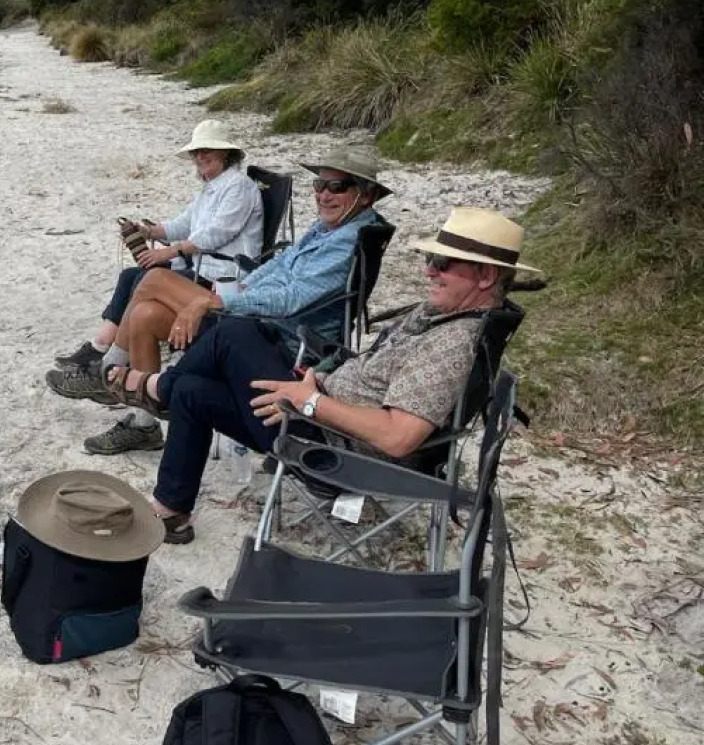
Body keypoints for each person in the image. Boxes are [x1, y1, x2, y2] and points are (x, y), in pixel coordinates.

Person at [106, 207, 537, 544]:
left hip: (329, 446)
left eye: (444, 263)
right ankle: (171, 510)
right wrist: (319, 377)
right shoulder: (445, 315)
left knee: (233, 334)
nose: (429, 270)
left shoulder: (452, 345)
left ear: (486, 276)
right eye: (431, 258)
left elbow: (398, 438)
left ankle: (155, 387)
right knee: (197, 390)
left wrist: (310, 400)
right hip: (318, 408)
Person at [64, 144, 390, 456]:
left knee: (153, 278)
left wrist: (220, 302)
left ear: (367, 194)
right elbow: (279, 262)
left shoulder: (347, 240)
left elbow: (292, 300)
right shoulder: (328, 227)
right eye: (320, 184)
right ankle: (143, 425)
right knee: (145, 314)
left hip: (276, 336)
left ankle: (107, 371)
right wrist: (240, 290)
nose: (324, 194)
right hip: (252, 310)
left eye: (337, 186)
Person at [46, 118, 263, 398]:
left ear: (225, 152)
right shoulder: (213, 187)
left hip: (220, 276)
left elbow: (217, 233)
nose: (200, 156)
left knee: (149, 277)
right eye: (196, 151)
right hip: (201, 266)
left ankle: (108, 366)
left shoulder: (239, 187)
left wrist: (171, 251)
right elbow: (186, 223)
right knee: (132, 278)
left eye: (208, 149)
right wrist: (149, 230)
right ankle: (103, 350)